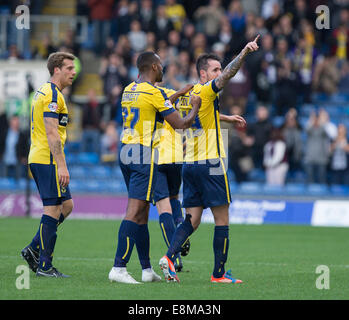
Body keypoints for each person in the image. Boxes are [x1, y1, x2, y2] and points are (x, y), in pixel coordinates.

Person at [159, 36, 259, 284]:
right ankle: (219, 274)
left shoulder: (187, 95)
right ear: (203, 74)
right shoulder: (206, 89)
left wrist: (227, 118)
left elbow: (203, 114)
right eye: (214, 69)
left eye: (219, 68)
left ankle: (169, 257)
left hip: (190, 164)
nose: (219, 73)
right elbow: (227, 76)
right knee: (222, 219)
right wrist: (244, 52)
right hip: (211, 163)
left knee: (192, 219)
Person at [108, 51, 202, 284]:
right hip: (142, 153)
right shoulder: (153, 92)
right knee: (134, 211)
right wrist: (195, 107)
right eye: (161, 66)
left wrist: (178, 92)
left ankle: (146, 270)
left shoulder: (129, 89)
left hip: (125, 150)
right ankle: (118, 267)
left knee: (141, 214)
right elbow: (180, 125)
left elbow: (156, 105)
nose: (163, 69)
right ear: (153, 66)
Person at [20, 52, 76, 277]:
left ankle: (33, 248)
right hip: (47, 159)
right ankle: (44, 264)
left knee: (67, 205)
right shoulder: (52, 94)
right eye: (69, 68)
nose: (73, 72)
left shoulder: (45, 91)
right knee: (52, 209)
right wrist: (62, 165)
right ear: (57, 70)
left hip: (43, 157)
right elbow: (52, 133)